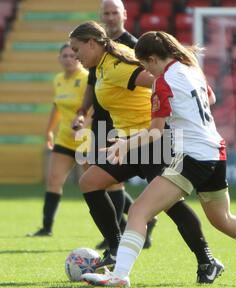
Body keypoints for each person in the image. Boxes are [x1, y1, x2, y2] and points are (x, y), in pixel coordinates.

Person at [82, 31, 236, 287]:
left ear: (151, 59)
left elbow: (155, 131)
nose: (146, 70)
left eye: (144, 64)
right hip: (215, 151)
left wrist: (125, 144)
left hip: (192, 156)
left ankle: (119, 276)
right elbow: (210, 97)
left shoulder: (163, 83)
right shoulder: (191, 68)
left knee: (139, 210)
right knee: (222, 219)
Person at [69, 21, 224, 284]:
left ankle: (206, 260)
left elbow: (158, 80)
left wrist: (156, 117)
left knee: (171, 206)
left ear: (92, 43)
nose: (76, 56)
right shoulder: (104, 63)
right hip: (129, 141)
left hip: (152, 141)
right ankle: (117, 250)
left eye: (77, 49)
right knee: (90, 182)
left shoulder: (118, 65)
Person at [72, 0, 157, 250]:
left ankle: (118, 236)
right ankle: (122, 232)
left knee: (111, 180)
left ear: (124, 15)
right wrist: (81, 112)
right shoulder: (94, 53)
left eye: (114, 12)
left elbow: (151, 80)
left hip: (126, 126)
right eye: (105, 13)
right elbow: (91, 85)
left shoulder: (131, 45)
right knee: (96, 176)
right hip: (102, 119)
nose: (110, 17)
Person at [27, 44, 91, 236]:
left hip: (86, 139)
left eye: (72, 55)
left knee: (98, 183)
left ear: (78, 58)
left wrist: (84, 127)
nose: (69, 59)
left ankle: (127, 221)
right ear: (59, 59)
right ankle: (46, 228)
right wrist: (49, 130)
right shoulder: (58, 80)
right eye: (64, 56)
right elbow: (57, 107)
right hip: (64, 138)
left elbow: (94, 107)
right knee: (54, 180)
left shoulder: (87, 78)